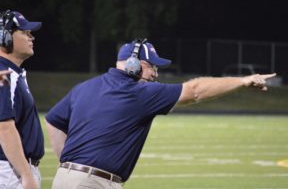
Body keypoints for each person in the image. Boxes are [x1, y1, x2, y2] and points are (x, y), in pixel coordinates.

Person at [45, 39, 276, 189]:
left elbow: (53, 121)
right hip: (93, 184)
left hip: (65, 179)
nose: (155, 73)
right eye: (151, 66)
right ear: (134, 64)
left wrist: (69, 162)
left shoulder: (84, 87)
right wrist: (243, 80)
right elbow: (195, 91)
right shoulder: (138, 91)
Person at [0, 10, 44, 189]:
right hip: (11, 171)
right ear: (5, 37)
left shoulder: (14, 73)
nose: (31, 37)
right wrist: (26, 174)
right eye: (25, 32)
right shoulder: (4, 74)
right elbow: (4, 127)